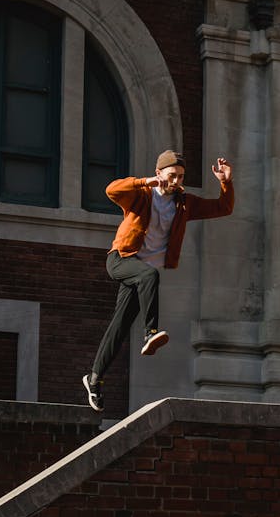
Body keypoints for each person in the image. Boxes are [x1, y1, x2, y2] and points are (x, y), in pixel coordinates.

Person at [83, 150, 234, 411]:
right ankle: (150, 333)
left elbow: (223, 207)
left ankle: (94, 379)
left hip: (140, 274)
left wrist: (226, 182)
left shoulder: (184, 204)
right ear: (159, 174)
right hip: (121, 259)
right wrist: (144, 182)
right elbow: (111, 191)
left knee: (118, 328)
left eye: (181, 176)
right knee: (150, 274)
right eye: (172, 175)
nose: (176, 181)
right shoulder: (142, 195)